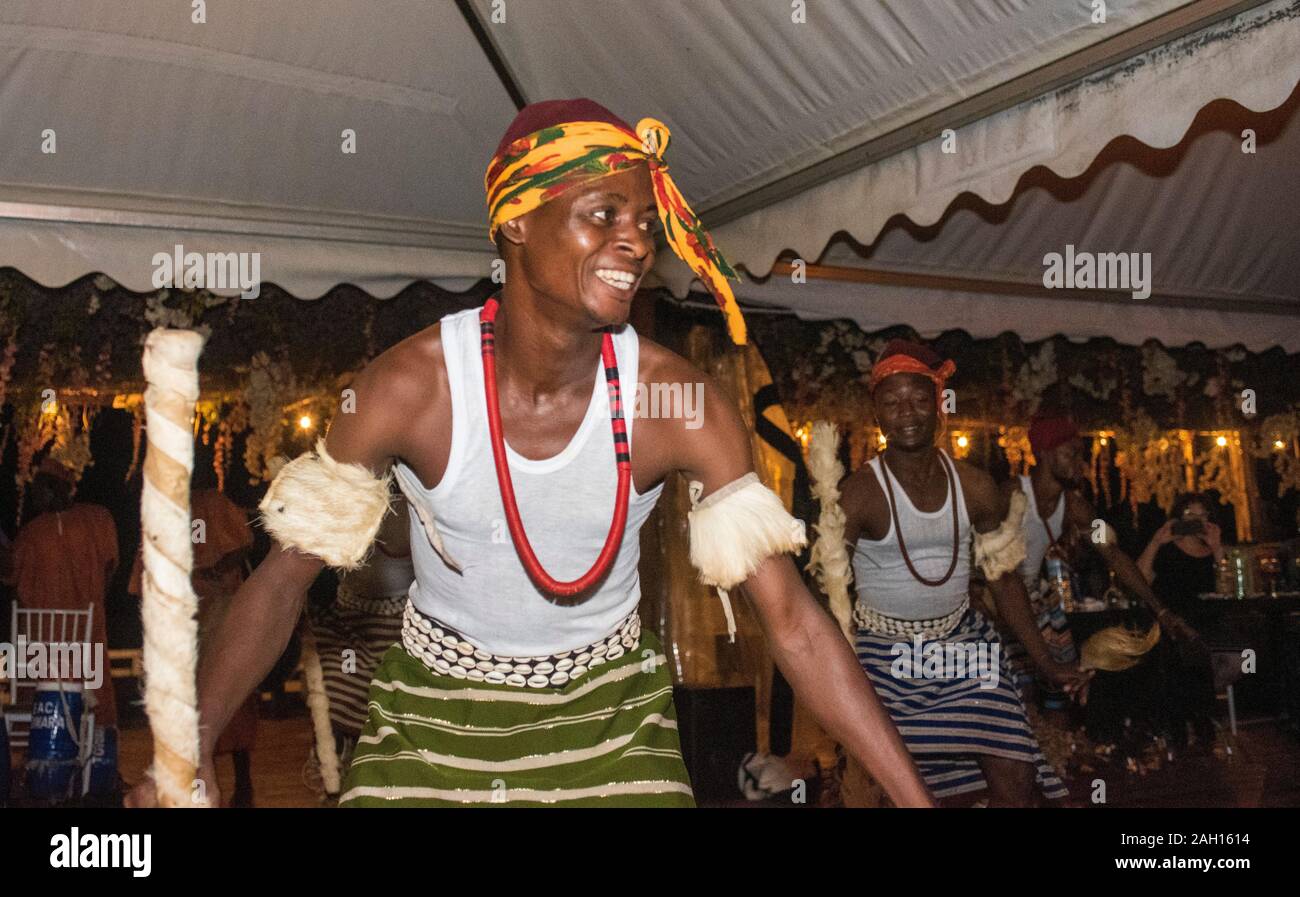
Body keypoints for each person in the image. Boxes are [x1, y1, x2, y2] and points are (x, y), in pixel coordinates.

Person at [130, 98, 931, 808]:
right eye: (603, 215)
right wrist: (188, 744)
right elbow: (279, 584)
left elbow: (791, 619)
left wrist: (912, 800)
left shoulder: (676, 403)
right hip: (435, 715)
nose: (636, 243)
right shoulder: (413, 389)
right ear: (515, 219)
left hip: (614, 717)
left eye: (646, 224)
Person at [837, 341, 1091, 806]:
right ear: (877, 415)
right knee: (896, 788)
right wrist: (837, 672)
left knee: (1015, 769)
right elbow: (828, 588)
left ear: (938, 405)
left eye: (918, 399)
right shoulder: (859, 494)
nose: (907, 413)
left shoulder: (975, 486)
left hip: (964, 644)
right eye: (891, 403)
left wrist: (1047, 663)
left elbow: (1004, 578)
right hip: (883, 654)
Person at [1003, 414, 1198, 699]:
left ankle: (1065, 738)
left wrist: (1162, 611)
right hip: (999, 602)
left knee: (1065, 689)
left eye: (1080, 454)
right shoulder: (1012, 495)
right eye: (1070, 453)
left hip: (1034, 602)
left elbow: (1115, 556)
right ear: (1045, 454)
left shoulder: (1076, 508)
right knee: (1018, 695)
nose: (1079, 463)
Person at [128, 479, 258, 806]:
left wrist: (217, 567)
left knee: (233, 700)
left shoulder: (212, 502)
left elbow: (244, 541)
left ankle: (243, 782)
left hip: (220, 613)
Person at [5, 457, 118, 731]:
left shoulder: (31, 534)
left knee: (29, 655)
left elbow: (11, 577)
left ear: (54, 490)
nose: (35, 497)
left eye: (40, 489)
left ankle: (39, 745)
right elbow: (111, 567)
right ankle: (97, 754)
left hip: (41, 646)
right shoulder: (98, 520)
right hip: (87, 637)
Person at [308, 488, 413, 769]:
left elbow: (397, 544)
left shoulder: (408, 503)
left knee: (392, 700)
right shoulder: (342, 498)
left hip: (399, 621)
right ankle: (345, 759)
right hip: (348, 619)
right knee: (342, 688)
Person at [1136, 492, 1221, 748]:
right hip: (1167, 619)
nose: (1196, 520)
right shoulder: (1167, 548)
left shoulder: (1210, 550)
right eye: (1190, 515)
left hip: (1203, 622)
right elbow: (1139, 579)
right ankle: (1181, 724)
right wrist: (1156, 541)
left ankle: (1197, 720)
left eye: (1202, 515)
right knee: (1174, 645)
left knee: (1194, 643)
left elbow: (1228, 583)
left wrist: (1216, 546)